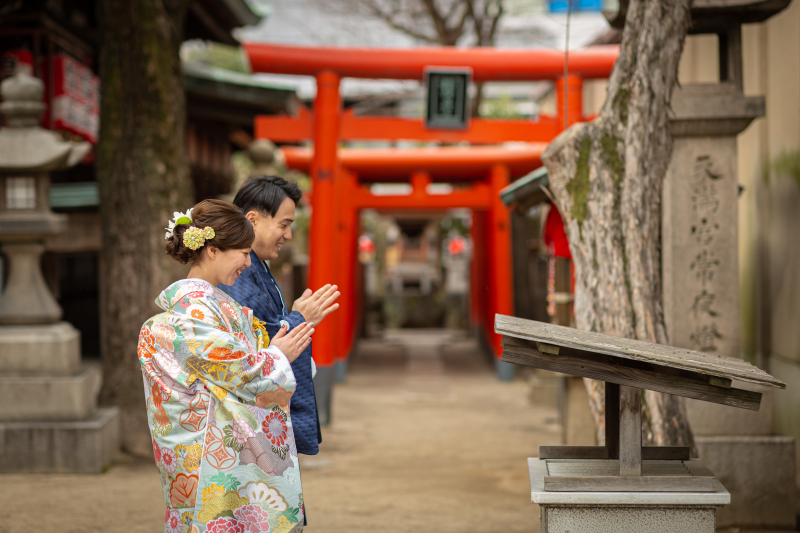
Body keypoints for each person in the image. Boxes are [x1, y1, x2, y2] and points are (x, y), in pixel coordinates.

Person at [138, 199, 313, 533]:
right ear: (214, 250)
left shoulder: (209, 305)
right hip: (204, 453)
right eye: (244, 253)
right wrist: (277, 356)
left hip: (203, 446)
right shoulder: (195, 310)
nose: (248, 263)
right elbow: (241, 372)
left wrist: (273, 353)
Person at [219, 176, 339, 456]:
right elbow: (252, 345)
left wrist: (296, 318)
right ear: (252, 220)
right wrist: (298, 318)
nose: (288, 235)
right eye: (284, 225)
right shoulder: (238, 272)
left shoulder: (254, 265)